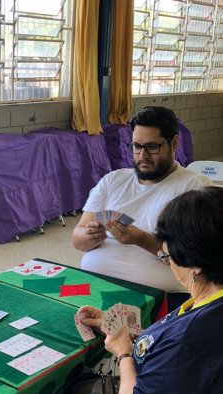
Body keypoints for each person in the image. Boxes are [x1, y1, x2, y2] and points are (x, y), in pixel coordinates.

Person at [25, 187, 223, 394]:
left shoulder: (194, 336)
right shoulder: (211, 303)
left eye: (167, 255)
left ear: (196, 265)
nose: (166, 262)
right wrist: (126, 331)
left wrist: (123, 352)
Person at [73, 106, 212, 308]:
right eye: (136, 146)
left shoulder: (195, 188)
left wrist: (139, 239)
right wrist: (90, 236)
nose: (142, 155)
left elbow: (194, 261)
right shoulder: (113, 180)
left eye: (152, 147)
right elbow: (77, 239)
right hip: (93, 285)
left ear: (174, 143)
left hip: (158, 297)